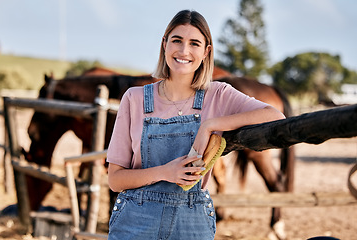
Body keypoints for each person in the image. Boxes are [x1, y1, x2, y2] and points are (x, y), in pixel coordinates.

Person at [106, 9, 285, 240]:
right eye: (177, 40)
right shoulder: (134, 98)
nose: (184, 51)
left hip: (192, 221)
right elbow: (115, 179)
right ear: (164, 44)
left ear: (206, 51)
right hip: (136, 221)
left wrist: (210, 125)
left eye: (194, 43)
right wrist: (166, 172)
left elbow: (275, 116)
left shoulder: (218, 94)